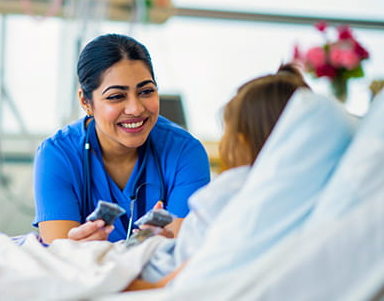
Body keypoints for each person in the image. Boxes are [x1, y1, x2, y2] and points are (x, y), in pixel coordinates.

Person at [125, 63, 311, 290]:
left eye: (227, 133)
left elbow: (193, 271)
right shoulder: (297, 194)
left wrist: (128, 284)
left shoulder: (234, 187)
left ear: (241, 141)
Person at [32, 34, 211, 243]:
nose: (135, 109)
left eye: (146, 91)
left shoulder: (185, 152)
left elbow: (181, 253)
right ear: (86, 101)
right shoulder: (58, 155)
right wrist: (74, 249)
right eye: (116, 96)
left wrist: (164, 245)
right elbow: (59, 255)